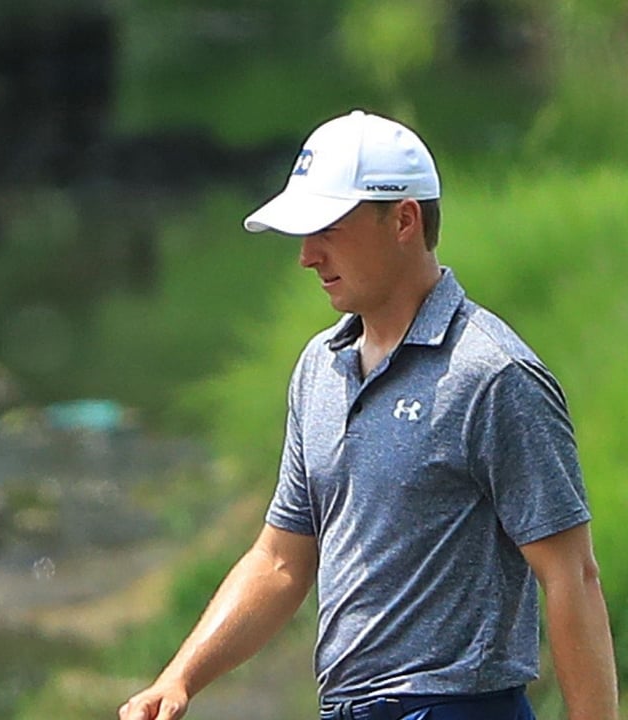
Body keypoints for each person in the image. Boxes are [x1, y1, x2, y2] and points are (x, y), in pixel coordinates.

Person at [119, 110, 619, 720]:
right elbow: (281, 560)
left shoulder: (492, 374)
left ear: (404, 219)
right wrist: (180, 679)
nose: (307, 256)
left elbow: (572, 576)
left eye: (328, 227)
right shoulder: (319, 369)